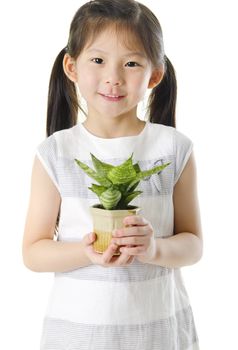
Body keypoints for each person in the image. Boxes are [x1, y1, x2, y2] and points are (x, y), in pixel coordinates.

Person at [22, 0, 203, 349]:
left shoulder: (174, 149)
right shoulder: (56, 152)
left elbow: (193, 244)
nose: (113, 77)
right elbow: (33, 252)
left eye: (131, 63)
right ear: (72, 67)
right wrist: (86, 252)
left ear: (154, 74)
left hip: (158, 332)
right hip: (77, 334)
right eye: (98, 60)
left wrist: (153, 248)